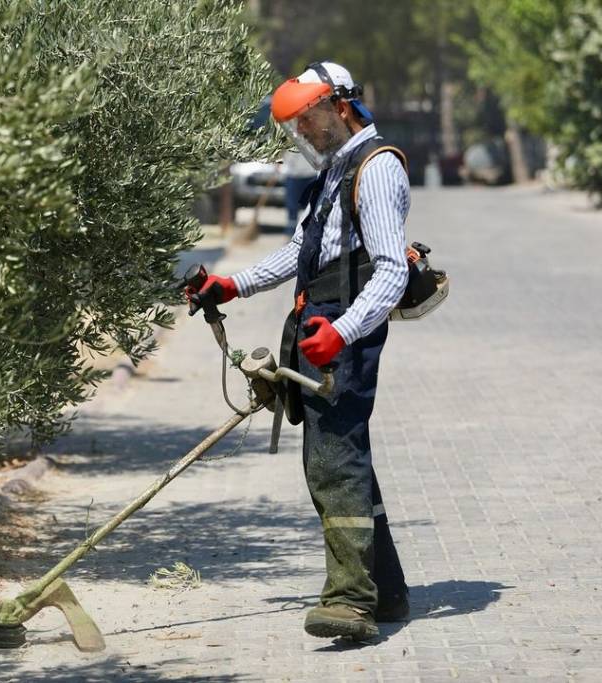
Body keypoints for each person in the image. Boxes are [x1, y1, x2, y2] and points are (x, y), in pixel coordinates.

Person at [189, 62, 410, 642]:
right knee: (345, 457)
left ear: (341, 107)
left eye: (308, 120)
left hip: (344, 334)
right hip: (318, 327)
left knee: (333, 463)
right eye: (295, 127)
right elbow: (300, 253)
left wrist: (345, 331)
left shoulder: (376, 168)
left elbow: (388, 272)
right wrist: (233, 284)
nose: (304, 135)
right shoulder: (336, 172)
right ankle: (386, 591)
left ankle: (349, 602)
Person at [282, 149, 318, 237]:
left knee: (311, 207)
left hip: (310, 174)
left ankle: (309, 234)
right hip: (293, 175)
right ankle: (290, 234)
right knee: (292, 207)